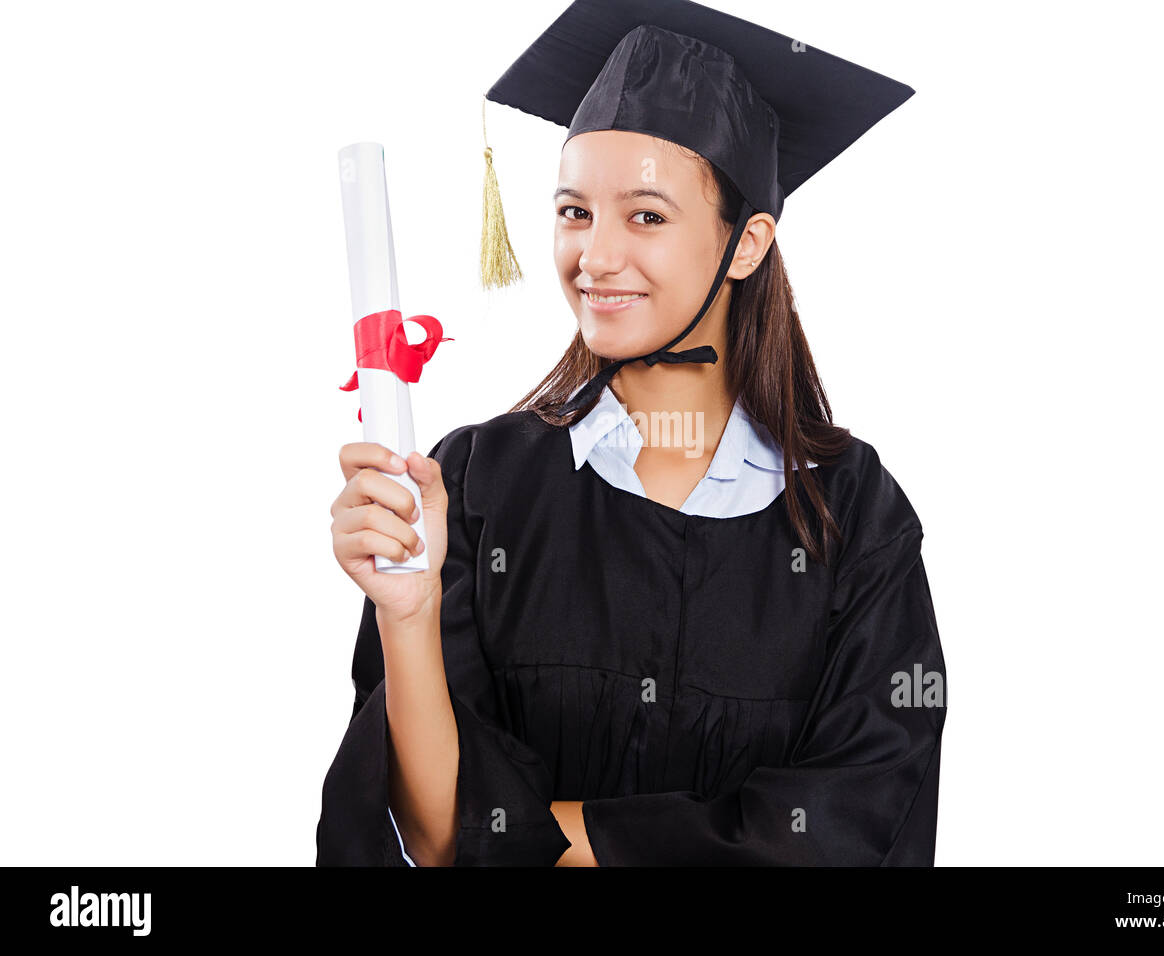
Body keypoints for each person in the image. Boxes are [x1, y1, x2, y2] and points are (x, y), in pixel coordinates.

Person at [317, 0, 947, 866]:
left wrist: (540, 837)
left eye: (645, 216)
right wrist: (410, 613)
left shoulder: (851, 517)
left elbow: (852, 825)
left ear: (748, 244)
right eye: (574, 211)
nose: (595, 257)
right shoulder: (476, 483)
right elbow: (434, 838)